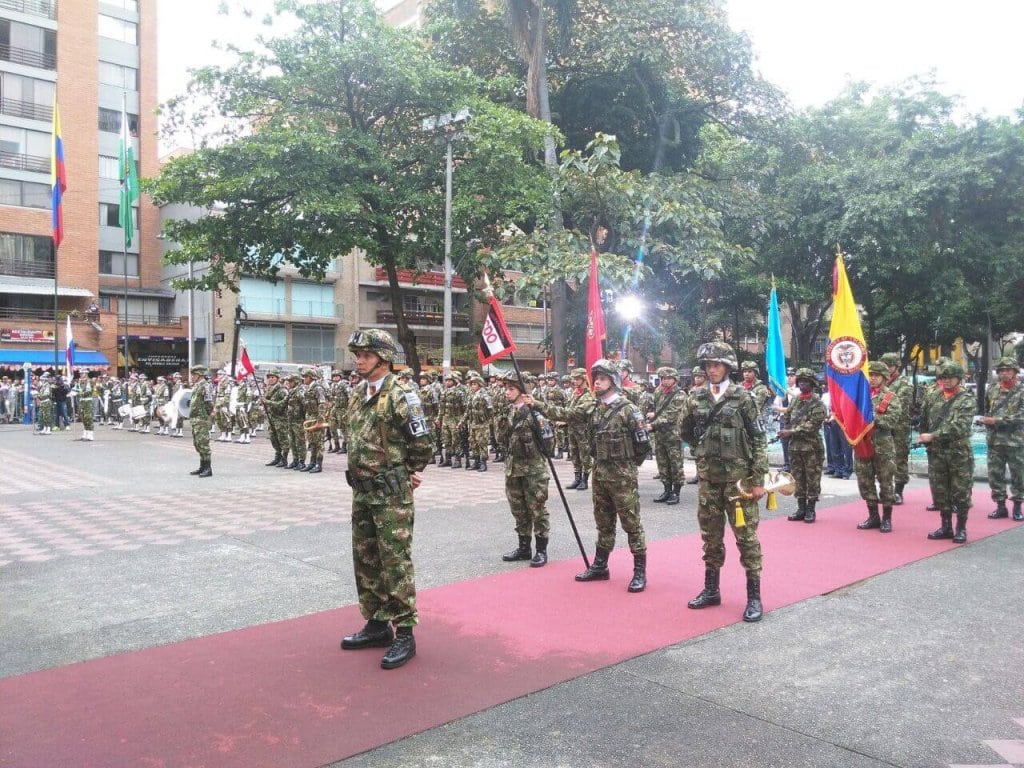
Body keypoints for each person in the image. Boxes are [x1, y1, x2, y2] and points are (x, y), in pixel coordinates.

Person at [340, 329, 432, 670]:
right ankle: (377, 622)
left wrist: (409, 470)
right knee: (366, 558)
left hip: (391, 494)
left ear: (383, 357)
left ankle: (404, 630)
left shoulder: (402, 394)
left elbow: (422, 441)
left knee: (395, 562)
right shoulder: (358, 393)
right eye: (357, 354)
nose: (358, 360)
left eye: (365, 354)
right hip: (362, 491)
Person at [534, 359, 651, 593]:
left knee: (631, 523)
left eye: (603, 379)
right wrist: (536, 404)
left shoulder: (629, 409)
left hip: (622, 476)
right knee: (603, 521)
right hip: (599, 473)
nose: (597, 382)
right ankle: (600, 565)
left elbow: (643, 444)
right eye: (595, 378)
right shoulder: (593, 408)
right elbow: (566, 414)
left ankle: (639, 571)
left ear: (614, 381)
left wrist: (627, 466)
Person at [679, 341, 767, 622]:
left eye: (716, 365)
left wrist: (757, 479)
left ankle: (754, 597)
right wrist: (701, 450)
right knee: (711, 538)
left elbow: (758, 439)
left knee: (746, 538)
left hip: (738, 484)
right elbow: (686, 430)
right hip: (709, 481)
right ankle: (711, 589)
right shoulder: (696, 398)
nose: (711, 369)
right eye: (708, 365)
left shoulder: (743, 398)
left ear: (728, 366)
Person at [499, 371, 554, 567]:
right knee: (519, 510)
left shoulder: (535, 414)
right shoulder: (509, 412)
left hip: (533, 470)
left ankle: (541, 550)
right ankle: (524, 547)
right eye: (506, 388)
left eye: (511, 389)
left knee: (537, 510)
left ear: (523, 392)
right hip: (514, 469)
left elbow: (549, 443)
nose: (507, 392)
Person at [918, 361, 977, 543]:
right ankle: (946, 526)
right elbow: (924, 419)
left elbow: (960, 426)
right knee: (940, 490)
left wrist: (933, 436)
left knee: (961, 490)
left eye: (951, 377)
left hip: (958, 451)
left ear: (958, 378)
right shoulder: (934, 396)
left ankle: (961, 527)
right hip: (937, 452)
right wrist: (925, 437)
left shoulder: (966, 398)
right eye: (943, 377)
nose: (947, 381)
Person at [855, 361, 903, 532]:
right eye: (871, 375)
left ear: (884, 377)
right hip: (863, 444)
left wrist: (871, 416)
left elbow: (892, 421)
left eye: (876, 375)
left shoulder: (890, 397)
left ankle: (887, 518)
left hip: (882, 445)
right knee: (865, 481)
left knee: (885, 482)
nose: (873, 378)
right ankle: (873, 516)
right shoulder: (861, 396)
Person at [781, 368, 827, 523]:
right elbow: (788, 415)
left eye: (805, 381)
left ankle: (811, 509)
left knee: (812, 478)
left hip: (811, 447)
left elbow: (812, 425)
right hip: (795, 446)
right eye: (800, 381)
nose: (802, 384)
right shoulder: (795, 400)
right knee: (798, 478)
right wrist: (785, 429)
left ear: (812, 383)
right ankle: (800, 508)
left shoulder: (818, 403)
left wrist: (791, 431)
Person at [981, 357, 1024, 521]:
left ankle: (1018, 506)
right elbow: (987, 409)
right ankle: (1000, 506)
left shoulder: (1021, 390)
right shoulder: (992, 389)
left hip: (1015, 441)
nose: (1005, 373)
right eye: (1002, 370)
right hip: (994, 441)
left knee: (1018, 475)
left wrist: (997, 421)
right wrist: (987, 421)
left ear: (1015, 371)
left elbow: (1021, 416)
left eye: (1008, 370)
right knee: (995, 475)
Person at [647, 366, 687, 504]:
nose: (665, 381)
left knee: (675, 463)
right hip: (660, 434)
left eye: (668, 378)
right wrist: (653, 416)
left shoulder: (680, 395)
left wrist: (652, 424)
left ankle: (676, 492)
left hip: (673, 434)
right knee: (662, 463)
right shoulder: (659, 392)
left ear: (675, 380)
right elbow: (658, 409)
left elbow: (671, 415)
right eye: (662, 378)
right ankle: (666, 489)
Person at [880, 352, 915, 504]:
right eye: (885, 366)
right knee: (883, 458)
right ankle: (886, 490)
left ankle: (899, 491)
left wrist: (879, 407)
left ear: (896, 367)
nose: (887, 369)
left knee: (900, 458)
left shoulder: (904, 383)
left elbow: (898, 402)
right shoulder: (880, 383)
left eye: (890, 366)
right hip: (883, 425)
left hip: (899, 426)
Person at [563, 368, 595, 491]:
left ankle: (585, 480)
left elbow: (578, 412)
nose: (575, 381)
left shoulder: (587, 396)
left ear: (583, 379)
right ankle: (577, 478)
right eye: (574, 379)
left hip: (583, 430)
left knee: (584, 455)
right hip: (572, 428)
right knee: (574, 453)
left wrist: (563, 416)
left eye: (577, 379)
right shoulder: (574, 393)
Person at [188, 365, 214, 477]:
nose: (192, 377)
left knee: (203, 444)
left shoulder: (205, 386)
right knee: (197, 443)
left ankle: (208, 468)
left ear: (198, 375)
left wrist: (209, 415)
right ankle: (202, 466)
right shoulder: (197, 386)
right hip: (195, 418)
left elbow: (208, 402)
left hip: (202, 418)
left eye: (193, 375)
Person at [464, 371, 493, 471]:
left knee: (482, 443)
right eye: (471, 384)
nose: (472, 386)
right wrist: (463, 421)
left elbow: (490, 409)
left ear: (479, 385)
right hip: (472, 423)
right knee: (473, 442)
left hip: (482, 423)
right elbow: (468, 410)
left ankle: (483, 463)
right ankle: (476, 462)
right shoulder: (471, 396)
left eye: (474, 384)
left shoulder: (485, 395)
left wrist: (489, 421)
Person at [301, 366, 328, 473]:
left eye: (306, 377)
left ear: (311, 377)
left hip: (317, 417)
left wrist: (320, 421)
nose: (304, 379)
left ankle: (318, 464)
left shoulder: (318, 388)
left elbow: (322, 404)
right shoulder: (308, 388)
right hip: (309, 417)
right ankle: (312, 462)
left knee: (319, 442)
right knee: (312, 441)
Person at [263, 370, 289, 466]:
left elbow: (284, 404)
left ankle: (284, 459)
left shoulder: (282, 390)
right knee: (273, 439)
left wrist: (268, 402)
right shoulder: (269, 389)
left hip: (280, 419)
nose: (270, 379)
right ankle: (277, 457)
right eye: (269, 377)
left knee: (283, 439)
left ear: (277, 379)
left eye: (273, 377)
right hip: (271, 418)